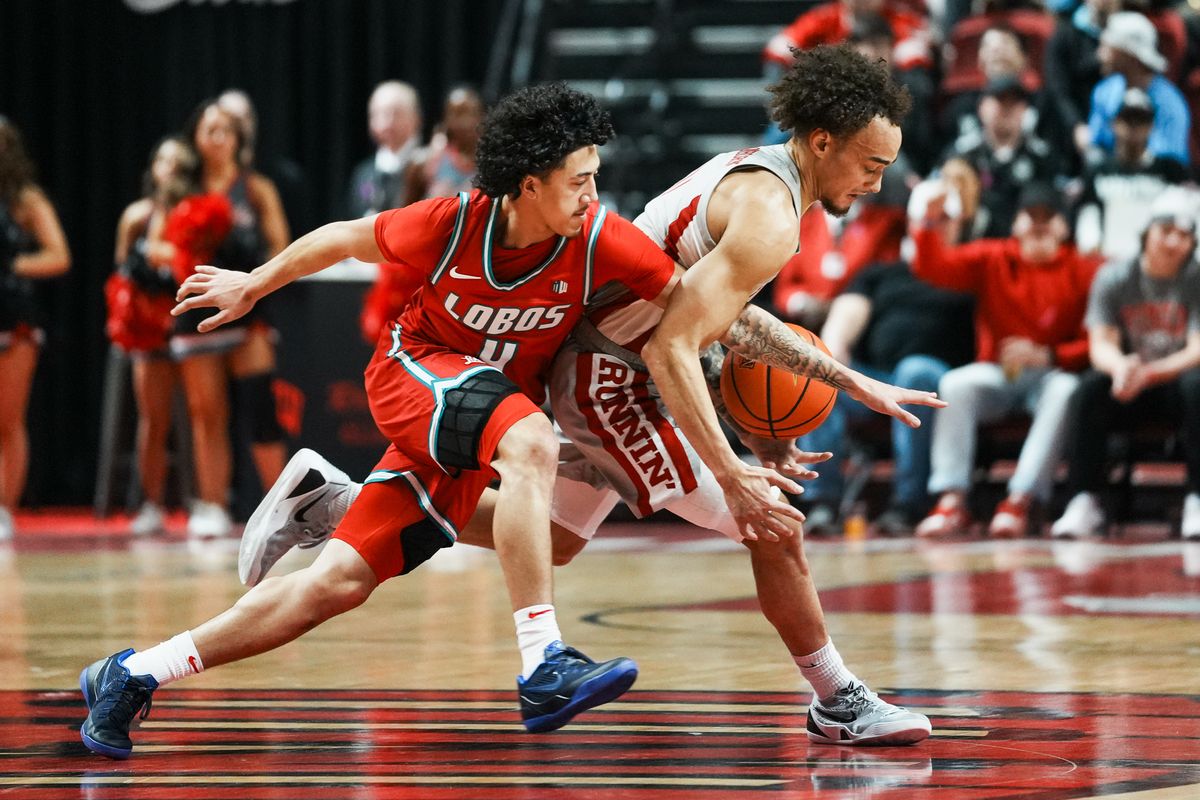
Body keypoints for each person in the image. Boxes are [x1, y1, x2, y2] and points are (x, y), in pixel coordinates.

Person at [243, 46, 942, 747]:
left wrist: (838, 384)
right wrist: (733, 472)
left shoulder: (760, 171)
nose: (877, 184)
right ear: (824, 141)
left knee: (553, 539)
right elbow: (673, 347)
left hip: (609, 362)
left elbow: (706, 320)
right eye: (871, 165)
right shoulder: (770, 217)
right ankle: (837, 699)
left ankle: (334, 502)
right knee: (773, 523)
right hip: (612, 379)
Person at [78, 83, 688, 761]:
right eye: (578, 180)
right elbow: (345, 237)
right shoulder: (456, 222)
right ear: (529, 185)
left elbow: (701, 307)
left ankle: (133, 673)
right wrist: (254, 283)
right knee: (531, 440)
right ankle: (543, 661)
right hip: (415, 372)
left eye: (594, 178)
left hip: (468, 423)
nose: (591, 193)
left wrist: (810, 375)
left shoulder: (602, 237)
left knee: (333, 585)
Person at [911, 181, 1102, 538]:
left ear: (1065, 226)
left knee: (1065, 390)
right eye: (1031, 217)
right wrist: (929, 221)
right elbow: (934, 267)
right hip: (998, 372)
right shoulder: (993, 256)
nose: (1039, 225)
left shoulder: (1085, 268)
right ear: (1015, 224)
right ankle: (952, 500)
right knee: (956, 384)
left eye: (1049, 218)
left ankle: (1021, 499)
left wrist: (1049, 354)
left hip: (1052, 372)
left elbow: (1099, 342)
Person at [1051, 187, 1200, 538]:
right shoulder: (1114, 277)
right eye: (1167, 231)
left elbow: (1197, 349)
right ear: (1147, 233)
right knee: (1088, 388)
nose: (1174, 242)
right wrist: (1121, 368)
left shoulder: (1197, 278)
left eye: (1184, 235)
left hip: (1175, 383)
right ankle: (1083, 501)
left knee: (1199, 386)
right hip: (1129, 382)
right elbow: (1100, 344)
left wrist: (1148, 373)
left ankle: (1197, 499)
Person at [173, 99, 291, 538]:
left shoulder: (256, 188)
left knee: (261, 406)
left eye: (226, 129)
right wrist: (193, 251)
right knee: (207, 414)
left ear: (238, 138)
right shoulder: (181, 189)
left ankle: (281, 506)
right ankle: (212, 506)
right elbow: (159, 246)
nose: (218, 137)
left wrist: (248, 267)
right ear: (197, 139)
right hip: (198, 312)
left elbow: (281, 244)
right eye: (209, 129)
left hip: (247, 309)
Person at [111, 136, 197, 535]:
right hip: (149, 328)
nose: (171, 169)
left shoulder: (196, 213)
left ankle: (205, 501)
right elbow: (122, 274)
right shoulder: (135, 216)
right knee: (154, 419)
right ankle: (150, 503)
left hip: (189, 320)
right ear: (153, 168)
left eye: (179, 163)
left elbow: (190, 259)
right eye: (164, 160)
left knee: (202, 414)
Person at [0, 117, 70, 541]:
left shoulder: (24, 200)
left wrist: (10, 266)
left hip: (12, 318)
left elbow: (58, 255)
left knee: (7, 418)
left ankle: (4, 508)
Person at [1074, 87, 1188, 263]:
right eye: (1128, 119)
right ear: (1114, 123)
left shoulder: (1170, 170)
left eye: (1141, 120)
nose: (1134, 126)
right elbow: (1089, 212)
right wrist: (1090, 244)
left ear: (1151, 126)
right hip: (1109, 258)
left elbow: (1184, 215)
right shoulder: (1098, 169)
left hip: (1158, 262)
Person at [1087, 11, 1189, 166]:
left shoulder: (1169, 103)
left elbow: (1171, 164)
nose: (1100, 55)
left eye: (1107, 48)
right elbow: (1096, 144)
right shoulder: (1105, 92)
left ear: (1129, 54)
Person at [344, 81, 422, 219]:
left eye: (396, 114)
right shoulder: (364, 172)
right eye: (380, 114)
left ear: (416, 118)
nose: (388, 122)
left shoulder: (427, 167)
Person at [403, 85, 484, 204]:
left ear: (482, 116)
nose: (465, 122)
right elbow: (403, 215)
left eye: (471, 113)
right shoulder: (423, 163)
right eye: (458, 114)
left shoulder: (493, 164)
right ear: (446, 118)